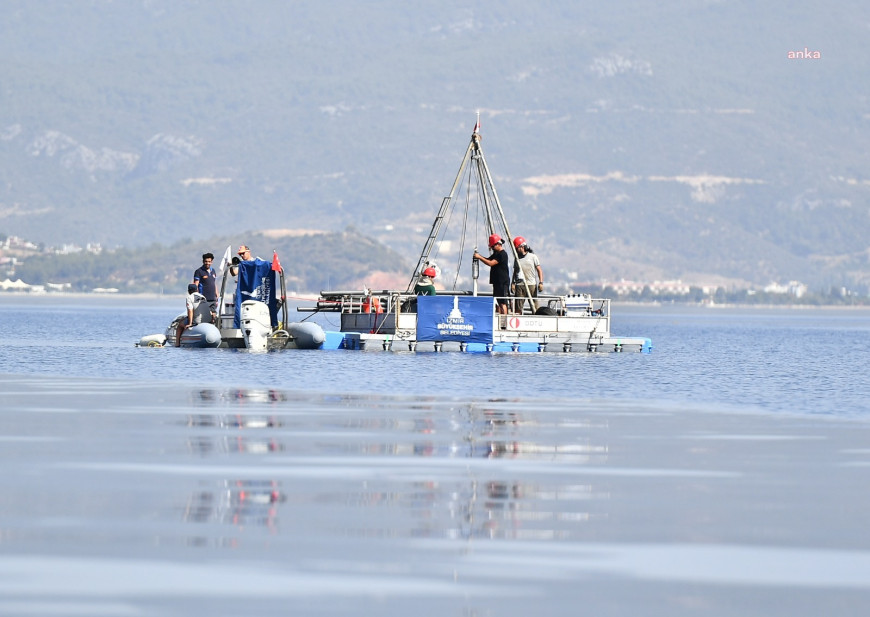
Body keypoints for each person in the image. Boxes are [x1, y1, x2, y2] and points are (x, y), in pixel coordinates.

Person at [473, 233, 510, 315]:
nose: (492, 248)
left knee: (502, 302)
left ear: (498, 244)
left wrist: (479, 257)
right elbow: (488, 259)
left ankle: (503, 321)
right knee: (497, 301)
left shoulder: (502, 254)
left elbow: (491, 263)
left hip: (502, 282)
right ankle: (499, 317)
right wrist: (479, 256)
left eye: (493, 246)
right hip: (496, 282)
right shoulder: (496, 254)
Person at [511, 236, 544, 314]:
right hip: (520, 285)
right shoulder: (517, 258)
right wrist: (513, 283)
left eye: (517, 248)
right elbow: (515, 271)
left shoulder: (532, 257)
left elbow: (539, 270)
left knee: (534, 306)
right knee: (518, 307)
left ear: (521, 247)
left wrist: (541, 282)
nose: (516, 250)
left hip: (531, 284)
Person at [193, 252, 218, 318]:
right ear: (203, 261)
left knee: (214, 314)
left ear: (212, 262)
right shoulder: (199, 271)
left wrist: (217, 294)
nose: (207, 263)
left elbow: (214, 283)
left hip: (213, 298)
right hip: (203, 299)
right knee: (205, 316)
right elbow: (196, 285)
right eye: (206, 261)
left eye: (209, 261)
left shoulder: (213, 271)